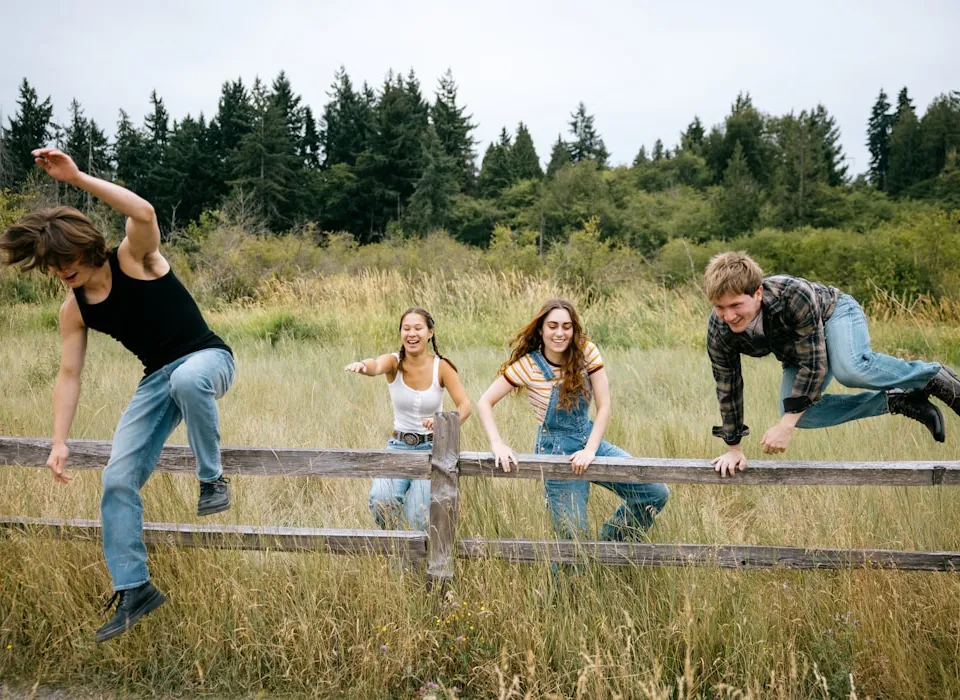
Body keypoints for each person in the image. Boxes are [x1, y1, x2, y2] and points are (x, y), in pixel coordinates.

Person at [0, 148, 236, 642]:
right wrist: (59, 442)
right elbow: (69, 375)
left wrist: (77, 176)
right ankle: (134, 588)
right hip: (157, 380)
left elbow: (143, 213)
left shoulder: (134, 258)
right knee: (116, 478)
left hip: (207, 359)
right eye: (50, 265)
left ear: (84, 247)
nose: (59, 271)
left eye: (63, 260)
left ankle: (212, 481)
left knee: (188, 379)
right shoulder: (75, 308)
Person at [705, 251, 958, 477]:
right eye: (720, 307)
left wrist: (785, 427)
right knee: (800, 414)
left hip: (835, 315)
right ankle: (899, 400)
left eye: (736, 305)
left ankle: (933, 377)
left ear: (758, 292)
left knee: (850, 370)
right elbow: (728, 387)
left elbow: (815, 364)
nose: (728, 315)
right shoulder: (719, 330)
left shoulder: (793, 294)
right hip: (799, 351)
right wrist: (733, 448)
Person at [476, 298, 669, 541]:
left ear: (574, 329)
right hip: (555, 451)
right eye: (553, 326)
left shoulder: (587, 352)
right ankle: (575, 575)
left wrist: (590, 450)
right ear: (541, 329)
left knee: (655, 491)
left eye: (566, 326)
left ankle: (611, 544)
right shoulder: (527, 366)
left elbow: (604, 406)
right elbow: (484, 402)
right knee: (572, 536)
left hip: (590, 439)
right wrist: (497, 444)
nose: (560, 332)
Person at [344, 307, 470, 531]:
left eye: (418, 328)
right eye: (406, 328)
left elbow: (465, 406)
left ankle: (413, 559)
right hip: (399, 446)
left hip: (432, 448)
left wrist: (445, 422)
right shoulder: (394, 362)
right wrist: (363, 365)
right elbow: (376, 365)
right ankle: (400, 547)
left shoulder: (442, 366)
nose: (412, 334)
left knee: (418, 516)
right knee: (380, 501)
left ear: (430, 333)